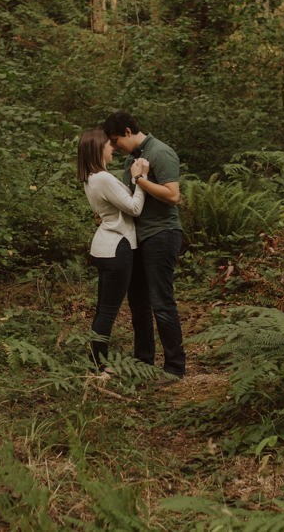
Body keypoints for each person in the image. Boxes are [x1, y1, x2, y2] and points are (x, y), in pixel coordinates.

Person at [102, 111, 186, 378]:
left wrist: (141, 179)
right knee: (138, 302)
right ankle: (143, 362)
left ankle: (174, 367)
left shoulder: (160, 152)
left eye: (116, 141)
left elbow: (173, 196)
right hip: (138, 237)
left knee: (161, 302)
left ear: (128, 131)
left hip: (162, 234)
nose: (114, 147)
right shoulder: (132, 159)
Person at [76, 128, 150, 369]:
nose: (112, 148)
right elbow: (135, 208)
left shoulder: (90, 178)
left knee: (103, 309)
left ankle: (96, 359)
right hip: (118, 246)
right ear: (98, 148)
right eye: (109, 145)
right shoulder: (103, 178)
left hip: (104, 246)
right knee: (108, 311)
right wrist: (140, 179)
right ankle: (98, 364)